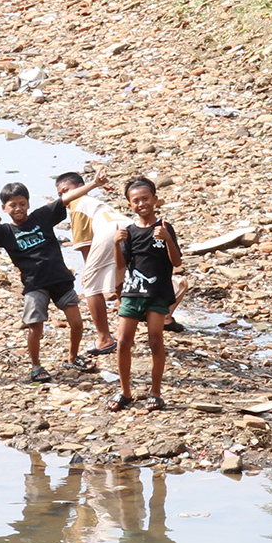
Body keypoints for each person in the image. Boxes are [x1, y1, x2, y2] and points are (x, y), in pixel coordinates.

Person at [0, 167, 110, 383]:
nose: (18, 208)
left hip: (61, 280)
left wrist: (94, 184)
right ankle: (36, 365)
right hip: (35, 286)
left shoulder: (42, 216)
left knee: (77, 323)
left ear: (28, 203)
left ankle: (73, 356)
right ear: (4, 208)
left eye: (22, 203)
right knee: (35, 327)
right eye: (13, 205)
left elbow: (67, 197)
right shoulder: (5, 231)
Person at [56, 173, 189, 343]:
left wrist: (87, 270)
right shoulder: (97, 203)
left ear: (81, 186)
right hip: (126, 224)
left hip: (112, 231)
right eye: (60, 194)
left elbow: (84, 244)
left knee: (90, 285)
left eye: (66, 191)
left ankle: (104, 338)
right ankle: (124, 332)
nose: (64, 197)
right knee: (123, 281)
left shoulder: (78, 202)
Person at [108, 177, 182, 412]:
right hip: (132, 292)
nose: (141, 204)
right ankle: (125, 391)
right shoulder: (128, 231)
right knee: (123, 342)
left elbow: (177, 262)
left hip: (158, 293)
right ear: (130, 205)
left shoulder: (164, 227)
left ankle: (156, 392)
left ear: (155, 199)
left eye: (145, 199)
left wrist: (167, 238)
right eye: (136, 200)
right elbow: (121, 266)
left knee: (155, 340)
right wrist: (115, 244)